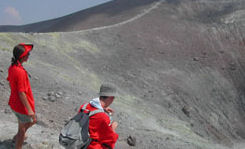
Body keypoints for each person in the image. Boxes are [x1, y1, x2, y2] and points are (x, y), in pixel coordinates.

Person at [7, 43, 36, 149]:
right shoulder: (20, 72)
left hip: (14, 102)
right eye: (28, 54)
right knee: (24, 128)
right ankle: (18, 143)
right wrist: (30, 110)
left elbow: (11, 83)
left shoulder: (12, 67)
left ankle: (16, 137)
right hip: (21, 105)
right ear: (22, 56)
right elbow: (21, 93)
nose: (29, 56)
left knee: (22, 125)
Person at [79, 84, 119, 149]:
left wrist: (102, 108)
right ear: (111, 98)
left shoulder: (85, 106)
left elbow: (92, 114)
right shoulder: (103, 117)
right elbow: (110, 140)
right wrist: (113, 128)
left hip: (79, 143)